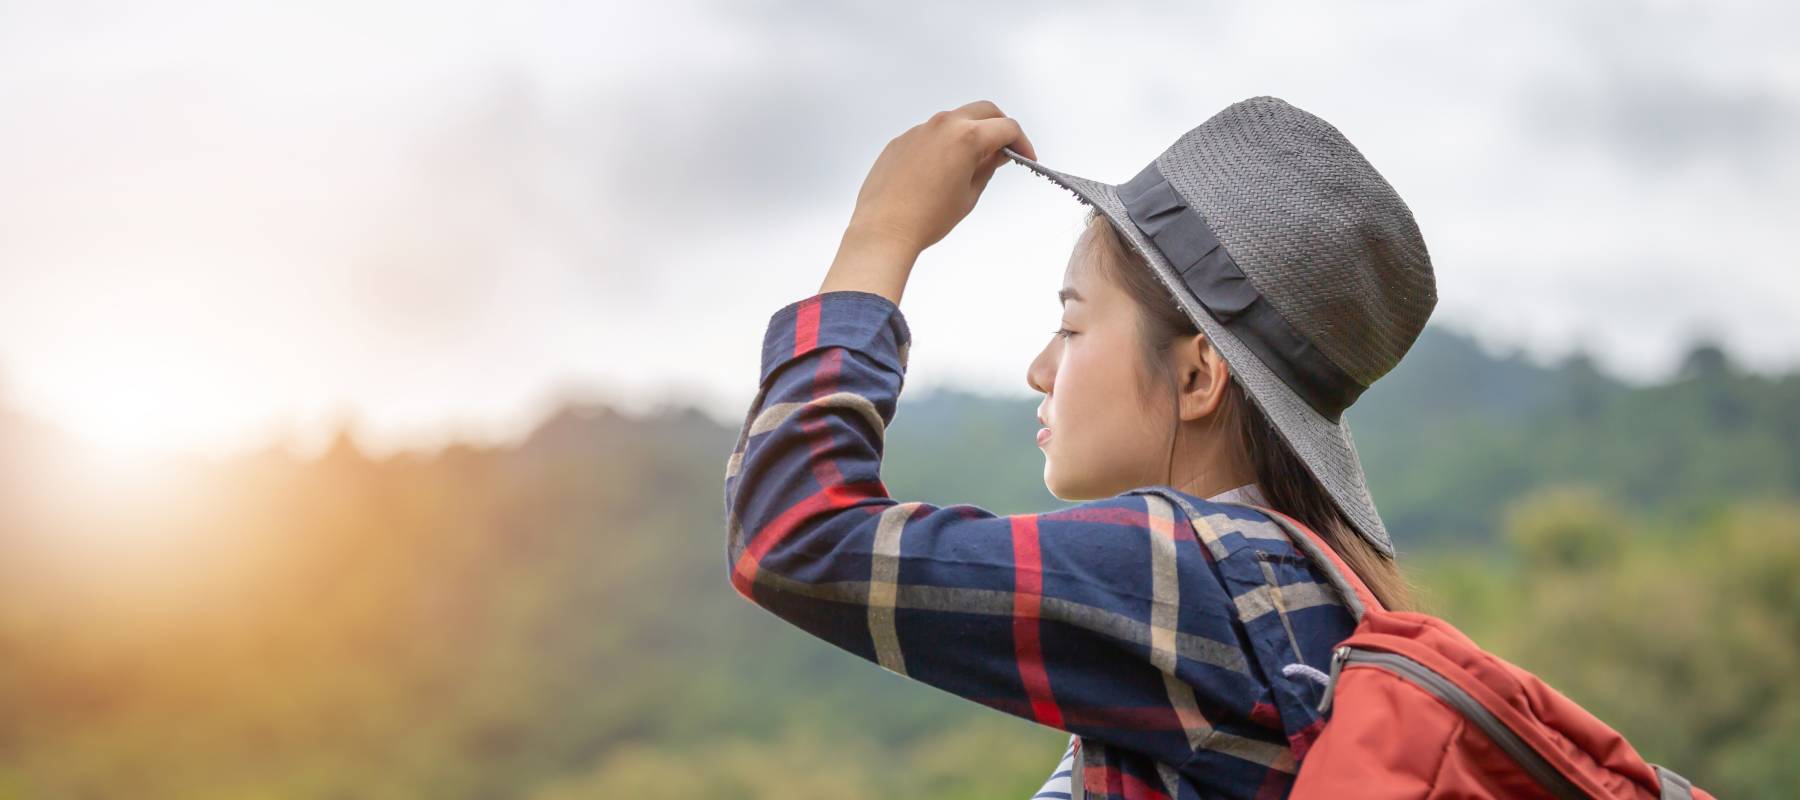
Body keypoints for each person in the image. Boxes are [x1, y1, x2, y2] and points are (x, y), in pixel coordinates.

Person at [723, 97, 1436, 798]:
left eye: (1070, 327)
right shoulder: (1317, 593)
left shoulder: (1188, 573)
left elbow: (794, 534)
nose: (1040, 369)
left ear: (1196, 376)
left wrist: (880, 232)